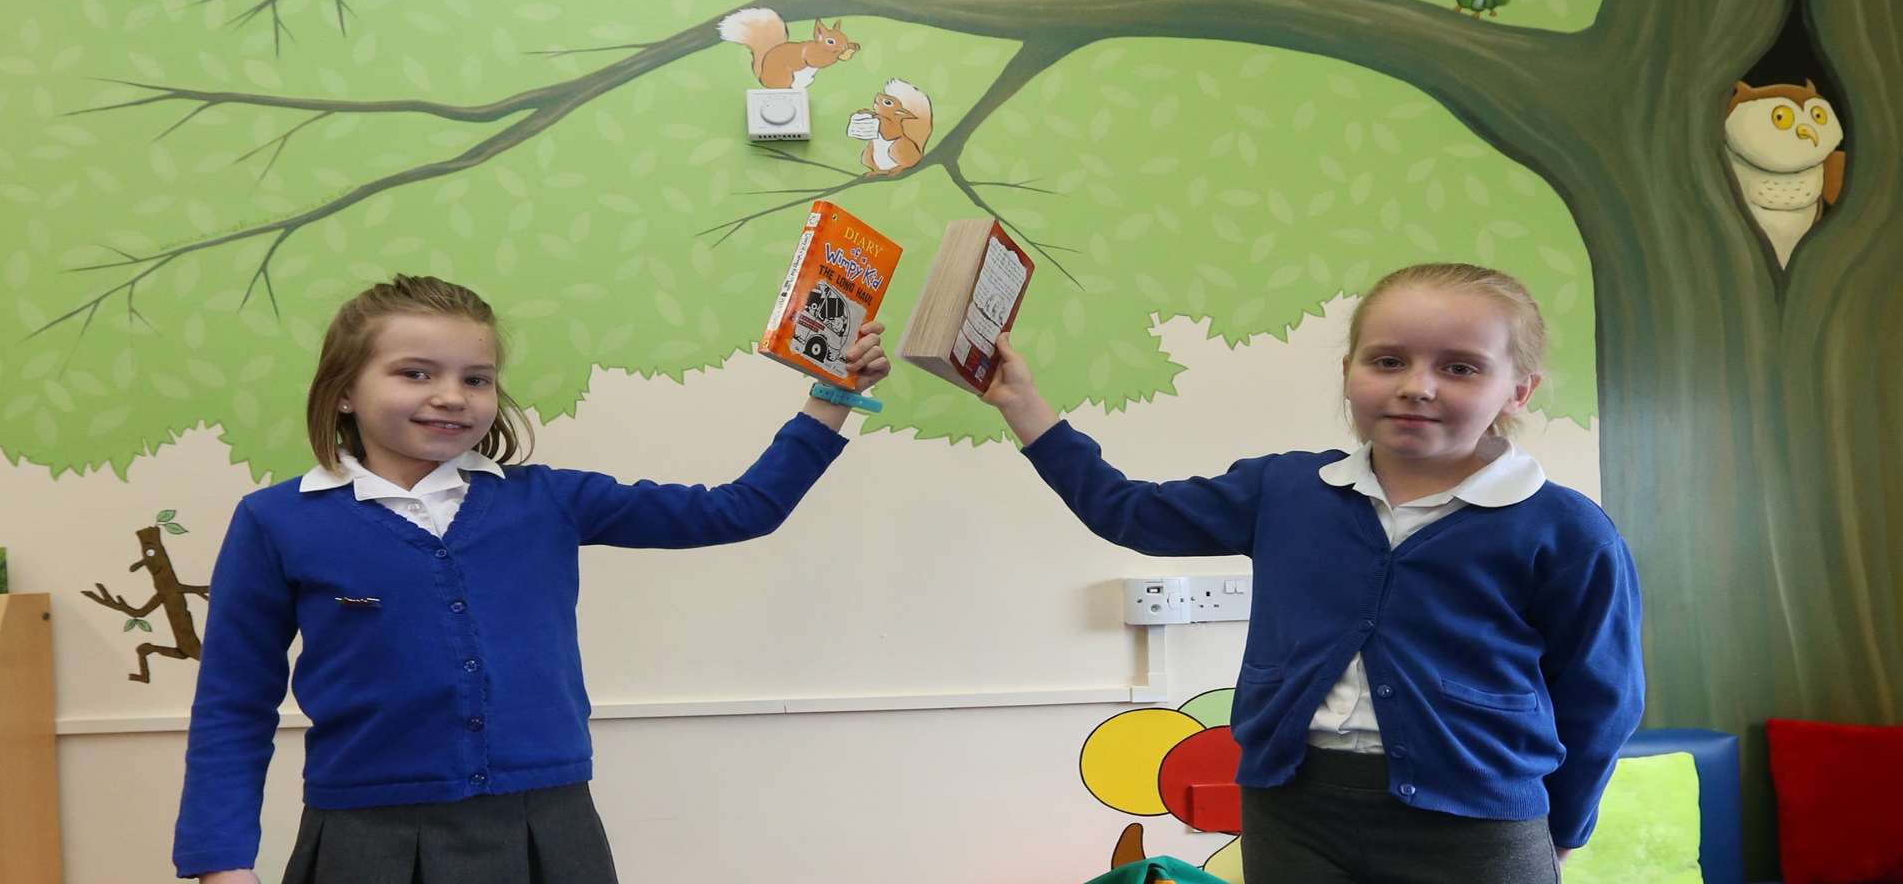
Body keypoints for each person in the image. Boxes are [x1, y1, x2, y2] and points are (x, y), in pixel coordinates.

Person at [173, 274, 890, 883]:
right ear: (343, 393)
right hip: (366, 839)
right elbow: (235, 704)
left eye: (475, 379)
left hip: (548, 828)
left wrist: (832, 400)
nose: (452, 396)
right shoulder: (277, 521)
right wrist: (221, 858)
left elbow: (741, 509)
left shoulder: (548, 498)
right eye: (415, 373)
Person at [982, 262, 1643, 883]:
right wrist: (1025, 408)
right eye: (1388, 361)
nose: (1417, 385)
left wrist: (1564, 828)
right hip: (1293, 810)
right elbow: (1131, 515)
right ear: (1349, 369)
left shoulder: (1567, 531)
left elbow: (1600, 698)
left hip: (1477, 823)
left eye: (1461, 367)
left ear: (1517, 388)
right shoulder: (1286, 489)